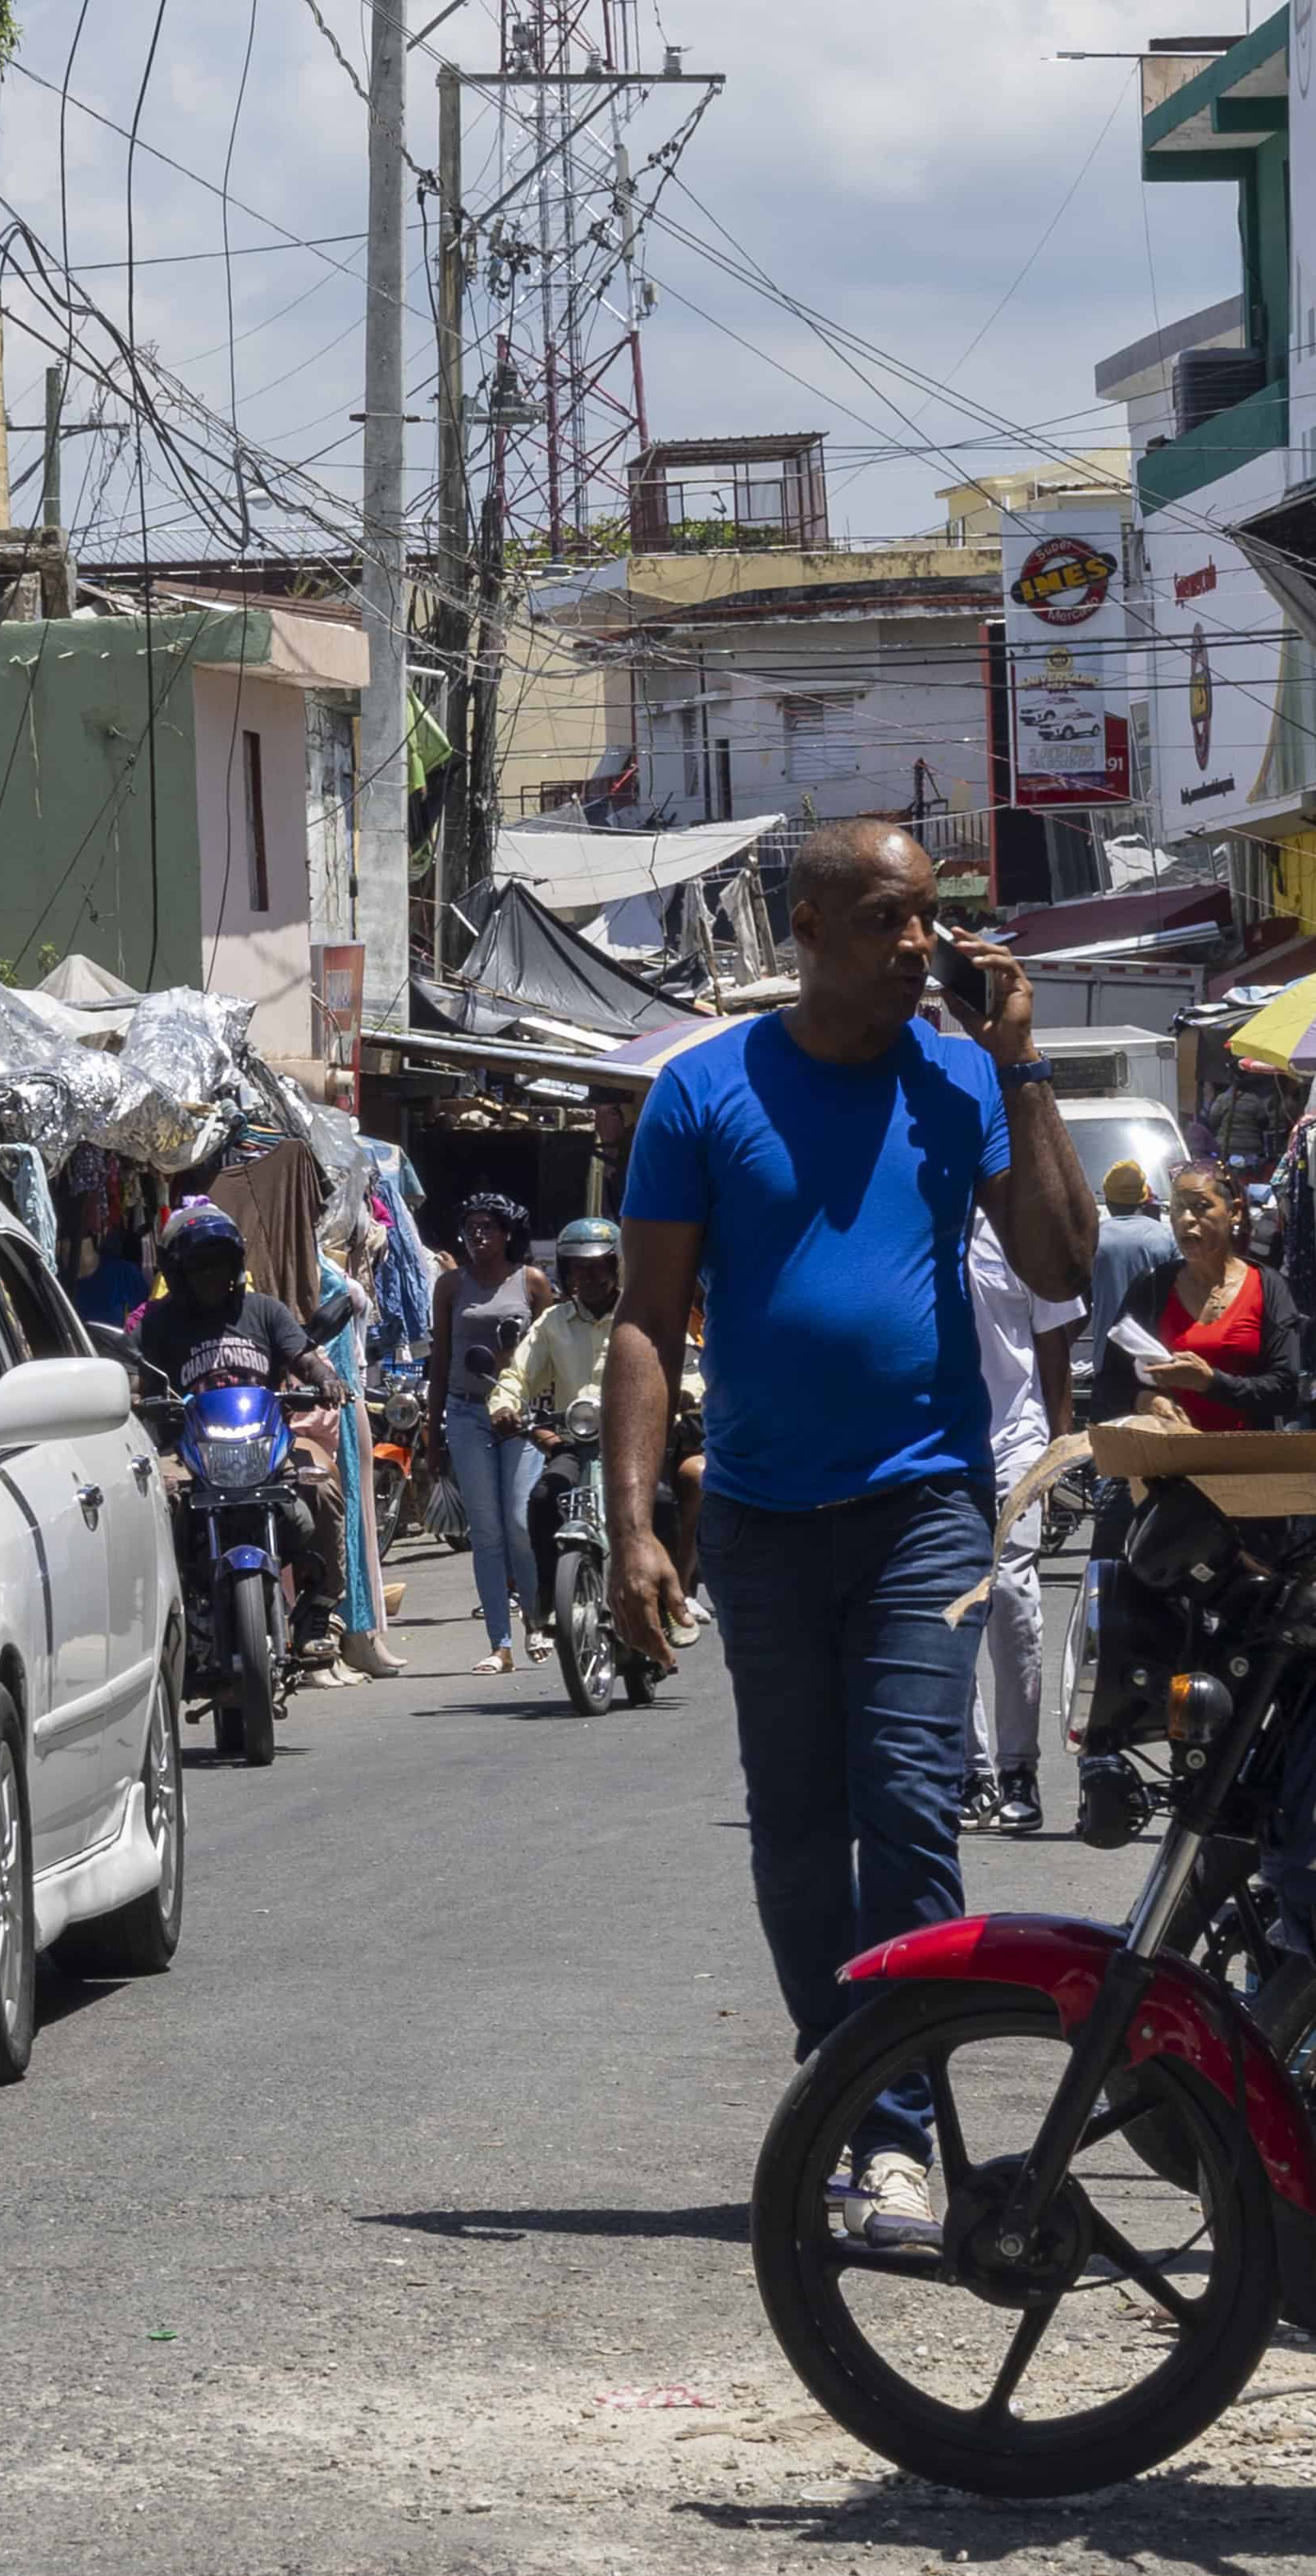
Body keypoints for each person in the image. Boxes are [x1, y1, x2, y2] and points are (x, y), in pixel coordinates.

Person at [604, 818, 1100, 2235]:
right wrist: (636, 1523)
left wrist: (1022, 1064)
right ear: (805, 931)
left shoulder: (960, 1078)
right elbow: (646, 1321)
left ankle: (895, 2136)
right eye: (883, 919)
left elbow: (1060, 1262)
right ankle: (843, 2093)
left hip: (926, 1503)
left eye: (926, 918)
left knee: (908, 1803)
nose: (914, 947)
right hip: (759, 1514)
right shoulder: (703, 1094)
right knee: (799, 1833)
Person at [133, 1201, 342, 1651]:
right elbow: (133, 1376)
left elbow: (302, 1356)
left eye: (220, 1263)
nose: (212, 1275)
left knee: (323, 1484)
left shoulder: (264, 1311)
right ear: (179, 1272)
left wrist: (325, 1379)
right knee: (158, 1497)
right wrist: (128, 1396)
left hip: (267, 1445)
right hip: (189, 1452)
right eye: (199, 1266)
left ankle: (321, 1605)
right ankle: (172, 1616)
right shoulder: (157, 1323)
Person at [490, 1216, 696, 1657]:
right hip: (576, 1442)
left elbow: (690, 1366)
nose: (589, 1276)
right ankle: (548, 1602)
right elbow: (517, 1376)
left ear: (617, 1267)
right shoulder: (552, 1323)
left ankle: (672, 1600)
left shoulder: (642, 1316)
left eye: (599, 1266)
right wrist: (504, 1406)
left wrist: (686, 1394)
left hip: (637, 1443)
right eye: (578, 1268)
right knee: (545, 1498)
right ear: (564, 1272)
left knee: (659, 1501)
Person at [958, 1208, 1082, 1837]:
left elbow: (1053, 1343)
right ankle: (970, 1771)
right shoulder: (907, 1217)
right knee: (950, 1604)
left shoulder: (1017, 1227)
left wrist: (1058, 1448)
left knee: (1008, 1595)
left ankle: (1017, 1771)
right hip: (936, 1448)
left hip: (1015, 1440)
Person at [1091, 1160, 1310, 1432]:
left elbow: (1285, 1391)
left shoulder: (1268, 1287)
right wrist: (1146, 1400)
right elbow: (1106, 1386)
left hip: (1248, 1465)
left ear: (1235, 1212)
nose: (1186, 1220)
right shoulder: (1152, 1288)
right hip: (1168, 1469)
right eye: (1178, 1208)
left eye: (1201, 1207)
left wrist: (1210, 1382)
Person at [431, 1192, 554, 1675]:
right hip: (465, 1413)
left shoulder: (532, 1282)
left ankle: (537, 1621)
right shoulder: (449, 1286)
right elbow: (439, 1360)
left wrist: (554, 1418)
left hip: (521, 1416)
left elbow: (553, 1352)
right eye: (470, 1226)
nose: (478, 1234)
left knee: (520, 1524)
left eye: (488, 1226)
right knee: (485, 1533)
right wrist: (431, 1430)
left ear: (507, 1234)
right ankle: (500, 1644)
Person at [314, 1204, 404, 1681]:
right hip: (324, 1390)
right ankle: (339, 1632)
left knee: (360, 1507)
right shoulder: (297, 1256)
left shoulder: (325, 1252)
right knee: (338, 1506)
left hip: (350, 1384)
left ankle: (365, 1632)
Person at [1087, 1159, 1178, 1332]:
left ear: (1107, 1199)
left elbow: (1080, 1308)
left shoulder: (1091, 1240)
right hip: (1160, 1354)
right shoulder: (1167, 1238)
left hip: (1106, 1354)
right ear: (1143, 1201)